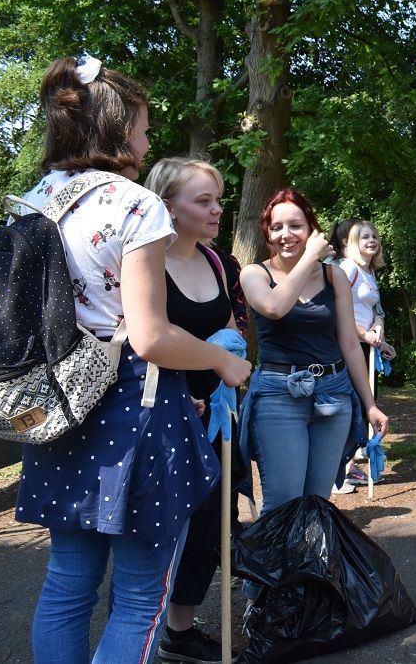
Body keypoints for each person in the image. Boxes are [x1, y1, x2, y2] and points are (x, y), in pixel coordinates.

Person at [14, 56, 251, 663]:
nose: (147, 143)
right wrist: (222, 361)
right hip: (134, 412)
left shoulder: (33, 201)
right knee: (143, 595)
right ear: (117, 129)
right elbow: (149, 337)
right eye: (143, 129)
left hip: (59, 408)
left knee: (67, 584)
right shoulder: (136, 204)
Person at [238, 189, 389, 525]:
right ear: (267, 233)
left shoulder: (334, 276)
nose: (286, 234)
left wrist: (369, 405)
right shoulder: (254, 274)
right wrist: (309, 257)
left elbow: (350, 344)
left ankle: (306, 563)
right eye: (276, 227)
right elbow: (275, 307)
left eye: (295, 225)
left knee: (316, 505)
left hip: (334, 394)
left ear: (311, 228)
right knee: (283, 505)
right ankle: (270, 564)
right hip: (278, 396)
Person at [144, 157, 241, 663]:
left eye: (217, 199)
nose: (217, 209)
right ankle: (139, 628)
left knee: (211, 522)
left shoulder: (217, 261)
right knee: (162, 526)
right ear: (167, 206)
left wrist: (233, 358)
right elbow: (146, 340)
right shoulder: (146, 262)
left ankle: (179, 631)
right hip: (168, 410)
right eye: (203, 201)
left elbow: (228, 326)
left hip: (218, 409)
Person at [338, 220, 396, 489]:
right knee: (352, 406)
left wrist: (379, 334)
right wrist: (363, 333)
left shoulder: (369, 272)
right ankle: (339, 472)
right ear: (353, 242)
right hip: (347, 345)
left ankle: (348, 466)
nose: (372, 240)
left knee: (365, 405)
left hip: (366, 345)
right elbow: (338, 310)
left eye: (374, 236)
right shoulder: (347, 269)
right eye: (364, 237)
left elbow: (373, 311)